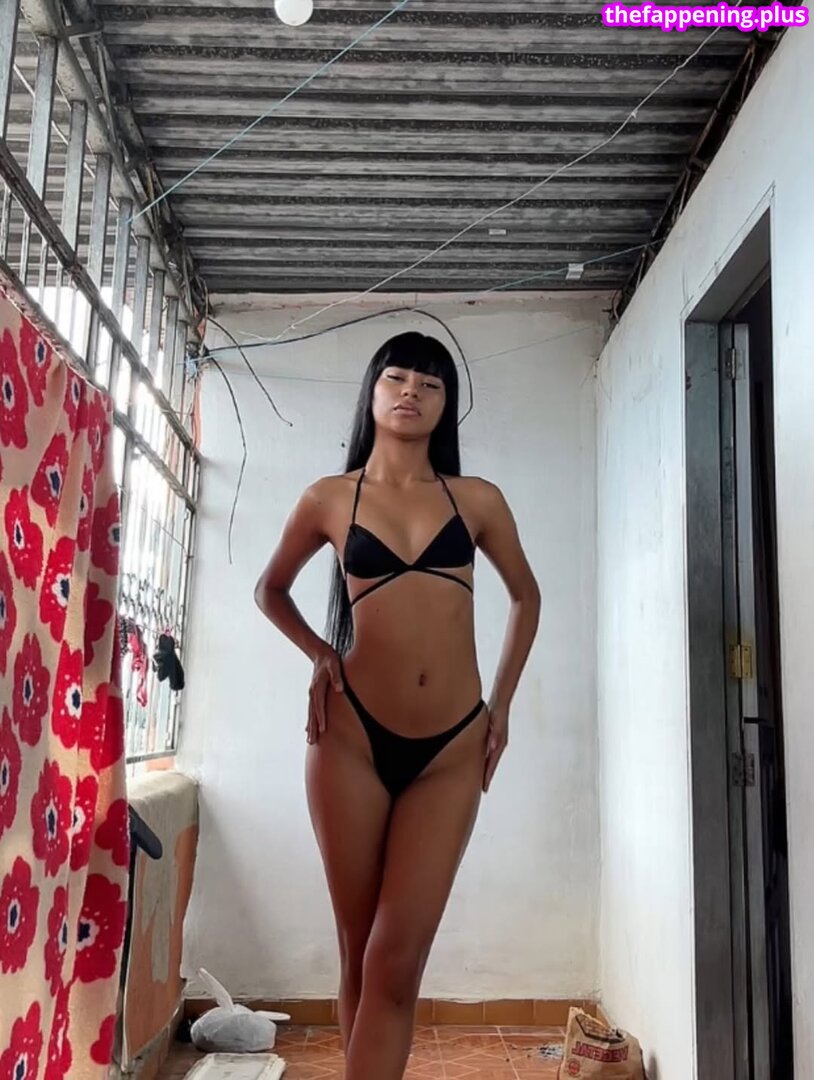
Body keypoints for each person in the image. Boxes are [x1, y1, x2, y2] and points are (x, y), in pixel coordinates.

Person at [254, 331, 541, 1079]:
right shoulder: (329, 497)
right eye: (398, 377)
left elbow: (526, 596)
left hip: (451, 749)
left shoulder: (476, 500)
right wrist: (320, 652)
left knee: (394, 960)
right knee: (359, 952)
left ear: (446, 406)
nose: (412, 391)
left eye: (431, 384)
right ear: (373, 391)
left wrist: (502, 706)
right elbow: (270, 589)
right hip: (350, 739)